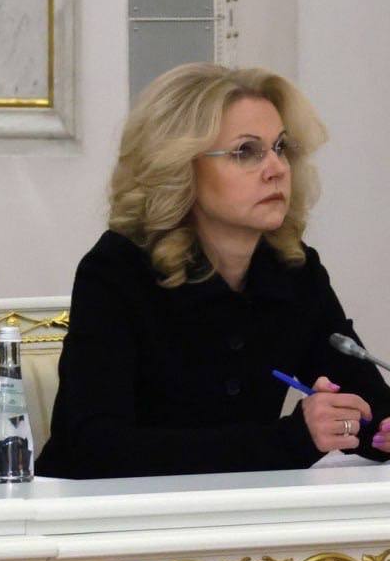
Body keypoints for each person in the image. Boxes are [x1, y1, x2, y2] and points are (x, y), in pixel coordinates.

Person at [36, 62, 390, 479]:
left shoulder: (291, 270)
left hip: (240, 511)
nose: (276, 168)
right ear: (180, 166)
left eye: (279, 147)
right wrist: (292, 438)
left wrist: (374, 429)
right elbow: (94, 447)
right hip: (103, 513)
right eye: (246, 152)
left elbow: (366, 401)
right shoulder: (117, 270)